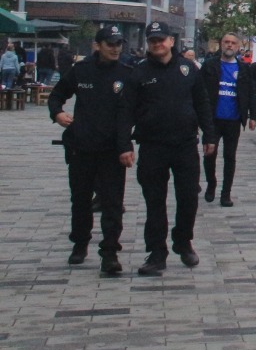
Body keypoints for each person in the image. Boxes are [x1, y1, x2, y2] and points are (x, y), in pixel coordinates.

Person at [128, 21, 216, 277]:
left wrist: (209, 134)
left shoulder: (188, 69)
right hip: (152, 145)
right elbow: (127, 110)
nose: (157, 43)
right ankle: (156, 252)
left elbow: (202, 103)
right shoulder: (139, 72)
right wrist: (124, 143)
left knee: (188, 197)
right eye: (152, 39)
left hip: (185, 145)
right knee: (155, 202)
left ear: (171, 41)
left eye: (161, 39)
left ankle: (183, 240)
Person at [48, 23, 134, 274]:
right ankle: (80, 243)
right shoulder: (81, 70)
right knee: (81, 200)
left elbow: (131, 112)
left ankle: (109, 252)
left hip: (112, 149)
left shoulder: (126, 73)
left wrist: (126, 145)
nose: (116, 49)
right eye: (110, 44)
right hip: (81, 147)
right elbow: (56, 96)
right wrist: (58, 114)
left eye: (119, 44)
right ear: (98, 45)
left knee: (113, 203)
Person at [200, 32, 252, 207]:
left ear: (238, 47)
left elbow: (249, 92)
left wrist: (254, 115)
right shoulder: (209, 65)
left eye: (233, 43)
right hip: (213, 119)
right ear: (221, 44)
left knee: (230, 156)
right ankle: (211, 184)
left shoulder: (243, 68)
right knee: (209, 154)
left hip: (233, 119)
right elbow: (199, 92)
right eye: (226, 42)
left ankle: (226, 193)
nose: (229, 45)